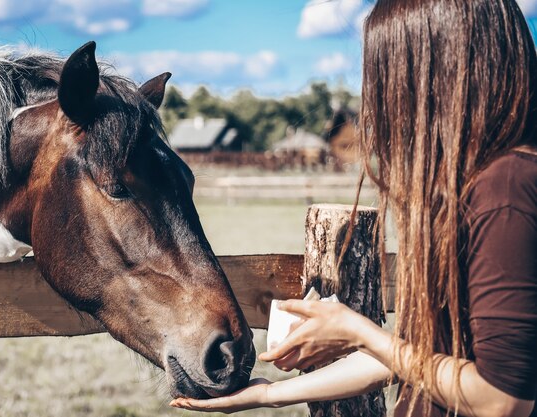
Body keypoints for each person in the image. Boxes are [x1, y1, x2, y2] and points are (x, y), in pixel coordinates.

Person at [170, 0, 537, 416]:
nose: (378, 100)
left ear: (434, 76)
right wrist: (268, 395)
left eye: (386, 73)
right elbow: (414, 359)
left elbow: (502, 398)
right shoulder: (478, 185)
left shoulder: (506, 189)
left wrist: (360, 332)